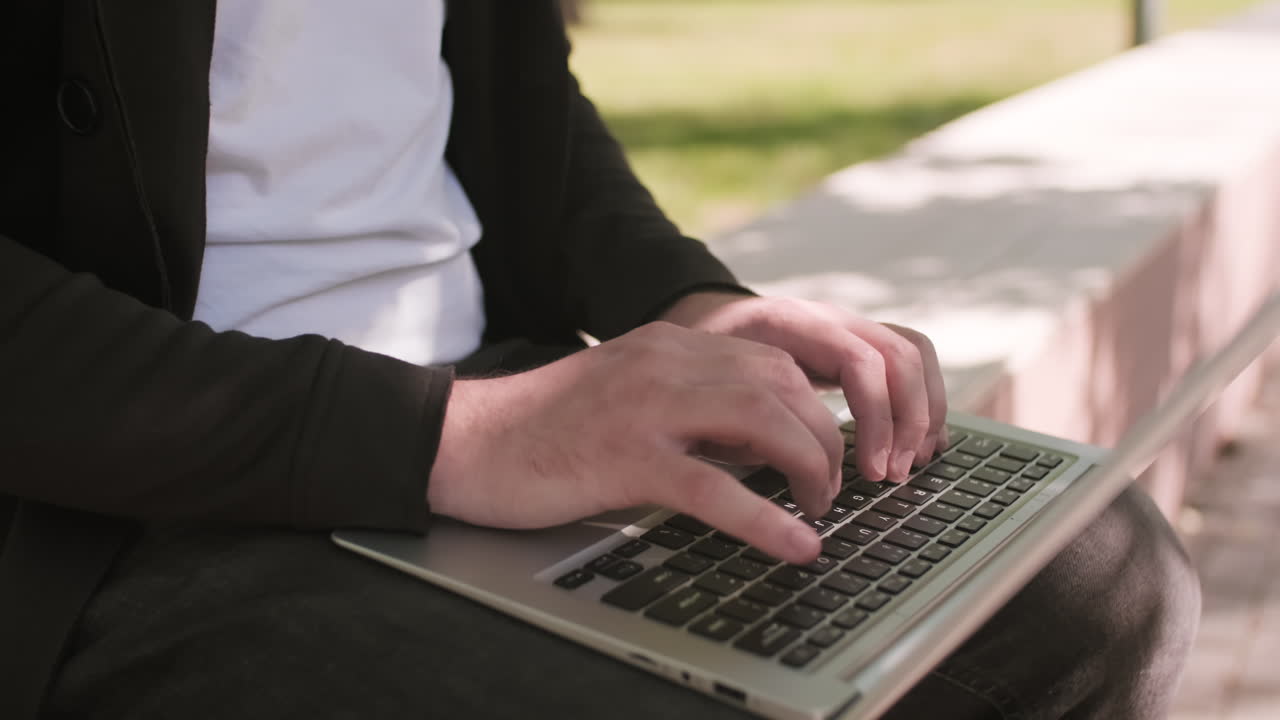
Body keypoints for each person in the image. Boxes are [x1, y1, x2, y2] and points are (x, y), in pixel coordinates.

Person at [0, 2, 1199, 718]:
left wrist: (681, 300)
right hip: (128, 499)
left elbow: (511, 97)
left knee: (1089, 581)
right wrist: (455, 439)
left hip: (488, 385)